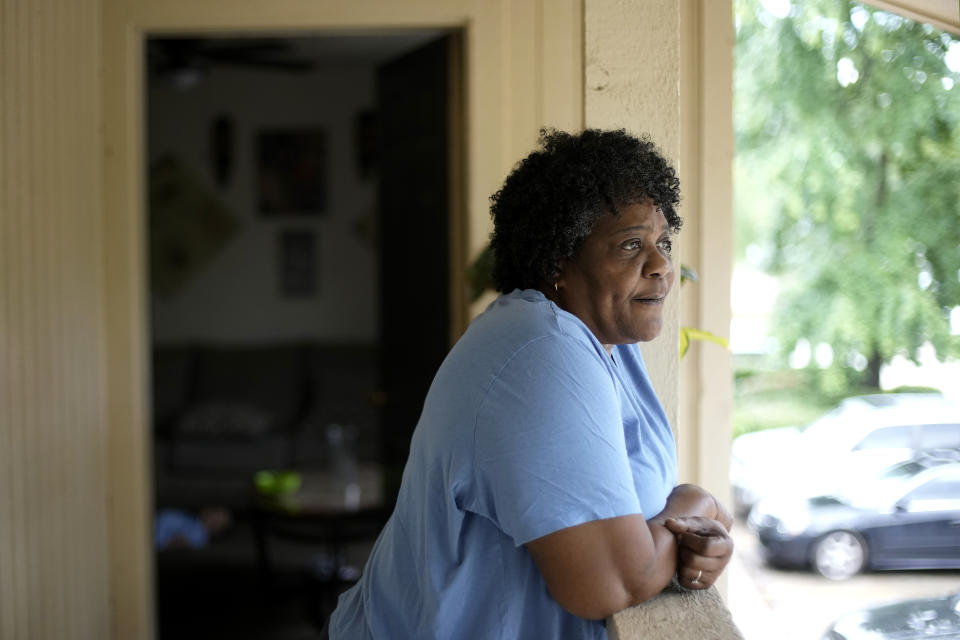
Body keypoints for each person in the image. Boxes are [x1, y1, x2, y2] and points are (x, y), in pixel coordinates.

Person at [327, 128, 734, 639]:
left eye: (663, 243)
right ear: (557, 260)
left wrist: (691, 528)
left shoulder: (606, 345)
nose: (661, 266)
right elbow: (612, 581)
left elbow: (624, 510)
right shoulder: (540, 351)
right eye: (631, 245)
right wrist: (696, 506)